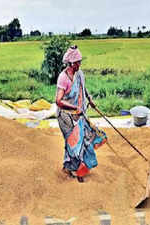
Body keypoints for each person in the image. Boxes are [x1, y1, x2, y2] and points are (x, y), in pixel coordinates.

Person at [55, 45, 107, 183]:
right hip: (66, 117)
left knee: (83, 140)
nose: (80, 64)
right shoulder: (63, 78)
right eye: (78, 62)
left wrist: (90, 100)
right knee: (74, 143)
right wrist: (74, 107)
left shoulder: (80, 74)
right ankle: (75, 170)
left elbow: (84, 88)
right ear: (71, 63)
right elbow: (58, 101)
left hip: (79, 114)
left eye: (80, 62)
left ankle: (72, 168)